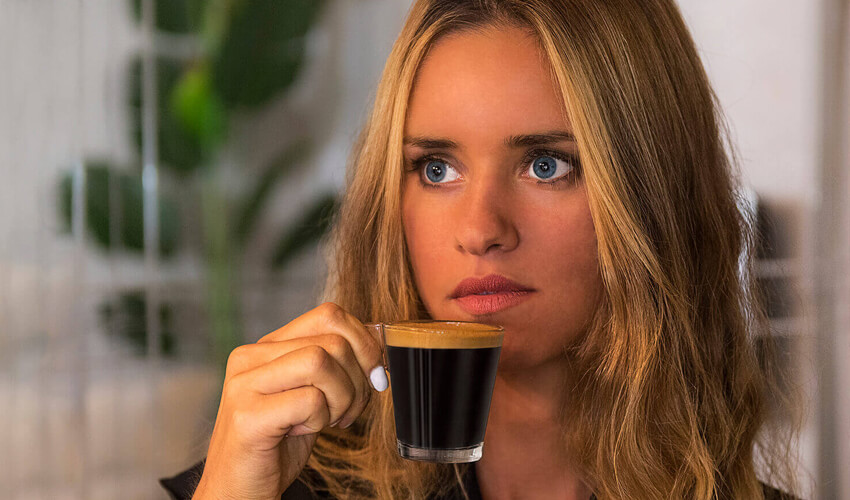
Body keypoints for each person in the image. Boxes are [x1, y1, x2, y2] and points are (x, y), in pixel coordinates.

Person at [161, 0, 802, 498]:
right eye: (437, 169)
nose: (479, 229)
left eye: (546, 165)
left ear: (650, 191)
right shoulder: (278, 486)